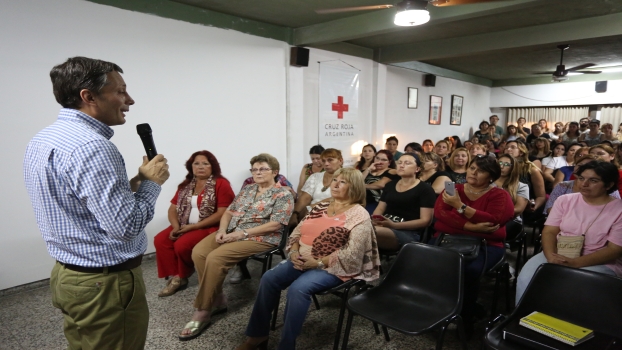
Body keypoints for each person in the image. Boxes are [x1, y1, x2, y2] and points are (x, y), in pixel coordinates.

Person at [23, 57, 170, 349]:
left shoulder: (44, 139)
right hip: (105, 287)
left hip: (69, 277)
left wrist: (138, 180)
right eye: (121, 91)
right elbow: (125, 227)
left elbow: (82, 201)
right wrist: (153, 184)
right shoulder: (93, 147)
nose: (130, 100)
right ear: (88, 97)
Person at [236, 168, 380, 350]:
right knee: (268, 279)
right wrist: (294, 252)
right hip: (302, 259)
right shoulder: (321, 206)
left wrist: (318, 262)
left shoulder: (359, 214)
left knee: (298, 289)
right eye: (335, 179)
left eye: (342, 182)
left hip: (334, 265)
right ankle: (257, 335)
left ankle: (286, 346)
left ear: (355, 187)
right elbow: (297, 233)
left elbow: (353, 252)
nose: (334, 184)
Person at [180, 153, 294, 341]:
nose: (258, 172)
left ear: (275, 172)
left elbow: (276, 224)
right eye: (255, 169)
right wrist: (222, 231)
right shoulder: (248, 189)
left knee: (216, 258)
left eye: (263, 169)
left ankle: (203, 311)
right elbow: (228, 213)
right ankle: (217, 298)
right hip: (233, 231)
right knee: (199, 252)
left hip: (260, 237)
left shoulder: (283, 194)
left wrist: (242, 234)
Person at [516, 161, 622, 303]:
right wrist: (551, 257)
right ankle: (525, 319)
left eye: (593, 180)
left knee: (573, 286)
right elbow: (549, 232)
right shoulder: (564, 200)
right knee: (527, 277)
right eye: (581, 178)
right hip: (560, 252)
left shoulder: (618, 209)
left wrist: (574, 263)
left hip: (599, 261)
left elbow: (614, 250)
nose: (584, 184)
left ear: (609, 185)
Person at [434, 155, 514, 331]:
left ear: (491, 176)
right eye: (472, 168)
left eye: (481, 170)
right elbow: (440, 217)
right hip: (449, 239)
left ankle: (465, 316)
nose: (474, 172)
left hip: (487, 244)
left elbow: (494, 222)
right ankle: (436, 310)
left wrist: (459, 206)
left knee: (468, 270)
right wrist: (472, 225)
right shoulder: (452, 188)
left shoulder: (500, 195)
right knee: (428, 262)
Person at [154, 151, 235, 297]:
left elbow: (223, 212)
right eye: (196, 163)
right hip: (184, 224)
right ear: (191, 167)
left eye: (205, 163)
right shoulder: (185, 185)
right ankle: (176, 274)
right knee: (160, 240)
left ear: (213, 166)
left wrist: (194, 227)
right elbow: (172, 208)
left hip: (209, 226)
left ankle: (181, 276)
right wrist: (175, 226)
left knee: (182, 244)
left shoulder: (221, 184)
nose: (200, 167)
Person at [373, 153, 436, 250]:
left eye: (407, 163)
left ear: (417, 169)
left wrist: (394, 225)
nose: (401, 165)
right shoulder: (390, 185)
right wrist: (375, 219)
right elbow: (380, 208)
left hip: (408, 232)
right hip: (385, 225)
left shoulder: (425, 189)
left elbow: (426, 221)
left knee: (367, 231)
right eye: (399, 163)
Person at [545, 156, 620, 214]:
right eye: (579, 165)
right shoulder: (563, 190)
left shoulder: (611, 195)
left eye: (593, 180)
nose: (584, 184)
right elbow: (550, 208)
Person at [290, 148, 344, 227]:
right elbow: (305, 198)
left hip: (336, 214)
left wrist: (313, 207)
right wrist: (295, 213)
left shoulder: (348, 176)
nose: (326, 164)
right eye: (323, 161)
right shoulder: (315, 177)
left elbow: (341, 198)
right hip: (311, 214)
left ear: (340, 161)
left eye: (330, 160)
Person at [504, 140, 546, 216]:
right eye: (506, 148)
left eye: (512, 147)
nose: (508, 149)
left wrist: (533, 207)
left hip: (524, 207)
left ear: (521, 152)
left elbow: (541, 196)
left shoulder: (532, 170)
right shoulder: (500, 167)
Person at [494, 155, 529, 235]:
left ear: (513, 168)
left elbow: (518, 209)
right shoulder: (486, 182)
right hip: (487, 216)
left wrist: (495, 213)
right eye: (500, 163)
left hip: (511, 220)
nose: (501, 166)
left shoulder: (522, 186)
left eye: (506, 164)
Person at [361, 149, 398, 214]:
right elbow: (357, 181)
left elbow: (381, 184)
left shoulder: (392, 171)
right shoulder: (367, 170)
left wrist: (361, 186)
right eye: (377, 158)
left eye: (384, 160)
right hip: (362, 201)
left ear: (389, 162)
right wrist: (369, 169)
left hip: (378, 203)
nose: (379, 162)